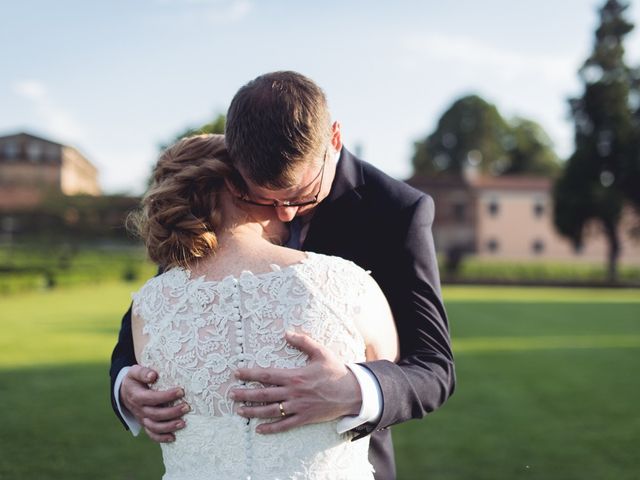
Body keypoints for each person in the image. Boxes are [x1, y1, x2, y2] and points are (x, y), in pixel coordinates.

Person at [110, 71, 455, 480]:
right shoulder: (215, 203)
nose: (285, 214)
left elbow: (434, 366)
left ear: (335, 138)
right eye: (262, 198)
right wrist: (124, 388)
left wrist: (354, 390)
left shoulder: (397, 211)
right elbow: (153, 321)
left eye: (300, 195)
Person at [128, 133, 398, 479]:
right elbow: (390, 367)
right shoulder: (345, 283)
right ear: (238, 186)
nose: (287, 206)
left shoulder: (148, 307)